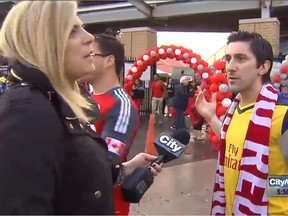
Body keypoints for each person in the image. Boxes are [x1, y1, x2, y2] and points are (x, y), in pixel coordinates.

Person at [0, 1, 162, 214]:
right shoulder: (26, 111)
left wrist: (127, 167)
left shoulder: (61, 99)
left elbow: (77, 175)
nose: (90, 37)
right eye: (73, 31)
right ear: (44, 43)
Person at [195, 30, 288, 215]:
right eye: (228, 58)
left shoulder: (282, 114)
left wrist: (270, 190)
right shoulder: (235, 109)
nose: (230, 66)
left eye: (241, 58)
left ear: (263, 67)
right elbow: (237, 142)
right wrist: (211, 118)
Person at [81, 33, 140, 215]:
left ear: (109, 61)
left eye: (92, 54)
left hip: (106, 206)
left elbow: (106, 166)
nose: (86, 58)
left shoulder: (121, 105)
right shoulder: (84, 96)